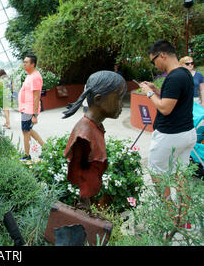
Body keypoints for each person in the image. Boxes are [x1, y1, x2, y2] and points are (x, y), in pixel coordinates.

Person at [139, 40, 196, 202]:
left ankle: (169, 215)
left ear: (162, 55)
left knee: (157, 172)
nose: (154, 65)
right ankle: (184, 219)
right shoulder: (184, 73)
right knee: (181, 174)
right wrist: (157, 90)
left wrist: (149, 93)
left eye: (153, 60)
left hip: (170, 135)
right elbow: (176, 98)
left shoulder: (174, 77)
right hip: (187, 132)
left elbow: (165, 108)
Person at [62, 71, 126, 211]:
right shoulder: (85, 133)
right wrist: (85, 199)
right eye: (118, 98)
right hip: (86, 201)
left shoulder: (95, 126)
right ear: (98, 99)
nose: (121, 104)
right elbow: (80, 172)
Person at [18, 54, 44, 160]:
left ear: (32, 64)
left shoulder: (35, 77)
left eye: (26, 62)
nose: (24, 64)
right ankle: (46, 147)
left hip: (29, 110)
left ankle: (27, 155)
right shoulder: (30, 75)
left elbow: (37, 96)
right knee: (28, 130)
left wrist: (34, 115)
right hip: (26, 109)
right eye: (23, 62)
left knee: (26, 132)